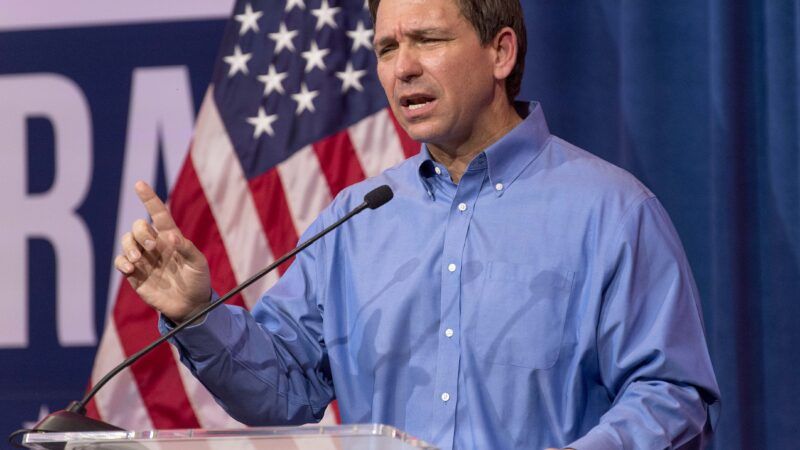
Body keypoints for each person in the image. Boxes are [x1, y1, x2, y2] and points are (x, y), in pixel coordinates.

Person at [115, 0, 720, 448]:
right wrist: (197, 314)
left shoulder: (611, 212)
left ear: (501, 53)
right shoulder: (355, 219)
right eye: (385, 49)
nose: (402, 68)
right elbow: (284, 392)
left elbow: (671, 398)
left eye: (427, 40)